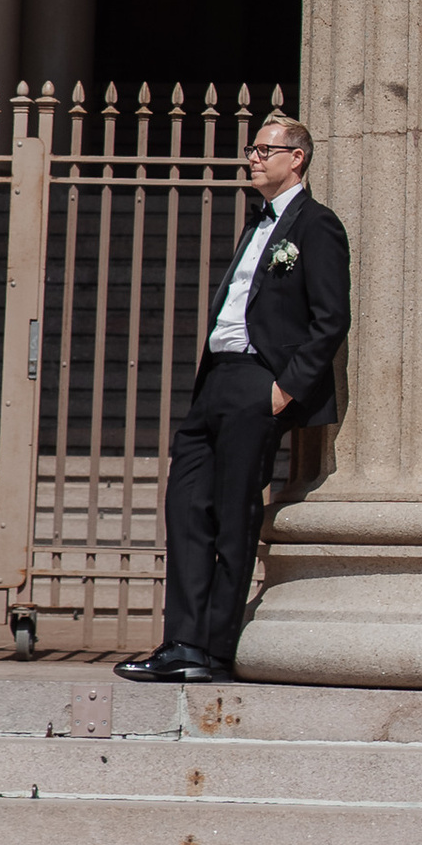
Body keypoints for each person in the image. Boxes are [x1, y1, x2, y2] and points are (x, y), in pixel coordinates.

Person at [117, 109, 349, 683]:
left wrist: (284, 389)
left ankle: (214, 650)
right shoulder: (256, 225)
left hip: (258, 384)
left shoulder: (316, 225)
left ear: (297, 158)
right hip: (214, 382)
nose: (252, 158)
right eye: (252, 150)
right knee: (187, 507)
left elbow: (331, 317)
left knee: (233, 516)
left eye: (264, 150)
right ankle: (183, 643)